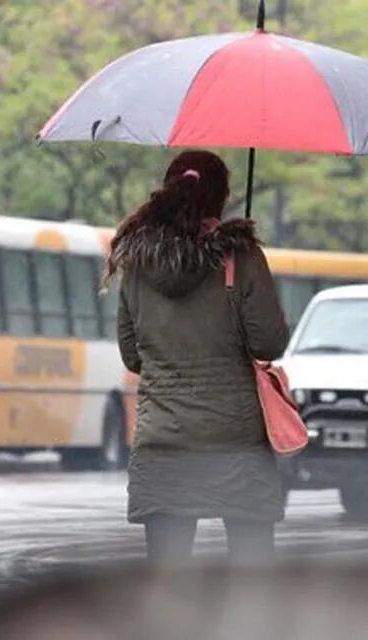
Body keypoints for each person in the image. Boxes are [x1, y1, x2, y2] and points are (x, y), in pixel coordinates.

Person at [107, 150, 291, 567]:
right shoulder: (239, 256)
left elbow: (132, 355)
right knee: (253, 575)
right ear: (221, 196)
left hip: (164, 441)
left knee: (168, 578)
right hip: (235, 441)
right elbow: (268, 343)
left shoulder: (138, 262)